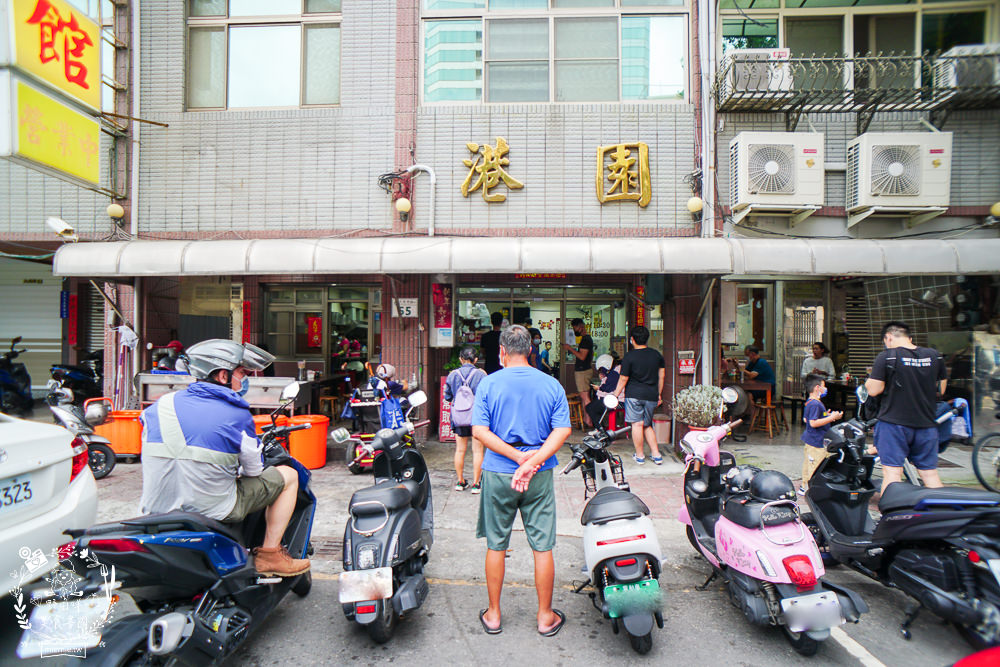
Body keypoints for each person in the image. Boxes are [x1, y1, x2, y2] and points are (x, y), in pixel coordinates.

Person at [138, 339, 309, 577]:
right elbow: (253, 470)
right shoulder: (237, 414)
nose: (245, 378)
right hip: (215, 509)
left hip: (155, 508)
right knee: (289, 476)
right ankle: (270, 555)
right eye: (242, 372)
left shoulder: (158, 407)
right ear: (221, 376)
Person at [471, 325, 571, 637]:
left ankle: (494, 614)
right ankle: (544, 616)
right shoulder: (550, 384)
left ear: (501, 351)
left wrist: (517, 459)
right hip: (538, 475)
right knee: (542, 547)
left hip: (499, 473)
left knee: (496, 544)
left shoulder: (489, 383)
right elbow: (562, 430)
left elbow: (479, 431)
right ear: (530, 350)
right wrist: (532, 461)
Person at [865, 321, 948, 493]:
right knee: (930, 474)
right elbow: (941, 390)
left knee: (892, 473)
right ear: (909, 338)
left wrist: (869, 381)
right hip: (926, 424)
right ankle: (941, 513)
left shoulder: (887, 356)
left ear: (888, 338)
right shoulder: (934, 356)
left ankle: (889, 515)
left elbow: (874, 390)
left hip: (894, 424)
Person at [612, 326, 665, 465]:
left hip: (634, 395)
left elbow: (623, 378)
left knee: (636, 424)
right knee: (647, 425)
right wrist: (659, 394)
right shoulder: (656, 355)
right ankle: (656, 455)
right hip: (651, 395)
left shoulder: (629, 356)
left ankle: (640, 456)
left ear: (632, 340)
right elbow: (662, 376)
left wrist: (615, 395)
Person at [444, 347, 487, 493]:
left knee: (460, 450)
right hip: (477, 417)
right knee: (477, 451)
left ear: (461, 359)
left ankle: (460, 482)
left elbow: (447, 397)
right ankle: (476, 484)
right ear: (475, 360)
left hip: (459, 416)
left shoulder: (453, 375)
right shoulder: (481, 374)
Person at [799, 374, 843, 495]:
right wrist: (831, 418)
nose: (825, 389)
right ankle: (811, 489)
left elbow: (806, 419)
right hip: (817, 441)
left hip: (811, 440)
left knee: (808, 463)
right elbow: (813, 423)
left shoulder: (810, 402)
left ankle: (804, 486)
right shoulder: (816, 404)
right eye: (824, 386)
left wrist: (827, 415)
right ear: (817, 387)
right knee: (816, 465)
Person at [563, 318, 595, 427]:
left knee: (585, 397)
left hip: (583, 371)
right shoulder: (585, 339)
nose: (574, 330)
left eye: (574, 327)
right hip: (583, 370)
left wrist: (569, 348)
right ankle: (586, 419)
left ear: (581, 327)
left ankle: (589, 420)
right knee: (584, 396)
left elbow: (582, 356)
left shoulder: (586, 340)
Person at [585, 354, 619, 427]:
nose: (602, 371)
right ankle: (600, 428)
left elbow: (607, 388)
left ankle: (600, 430)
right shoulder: (616, 371)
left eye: (601, 369)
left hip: (615, 401)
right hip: (616, 399)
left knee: (590, 407)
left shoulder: (614, 374)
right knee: (593, 406)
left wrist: (598, 388)